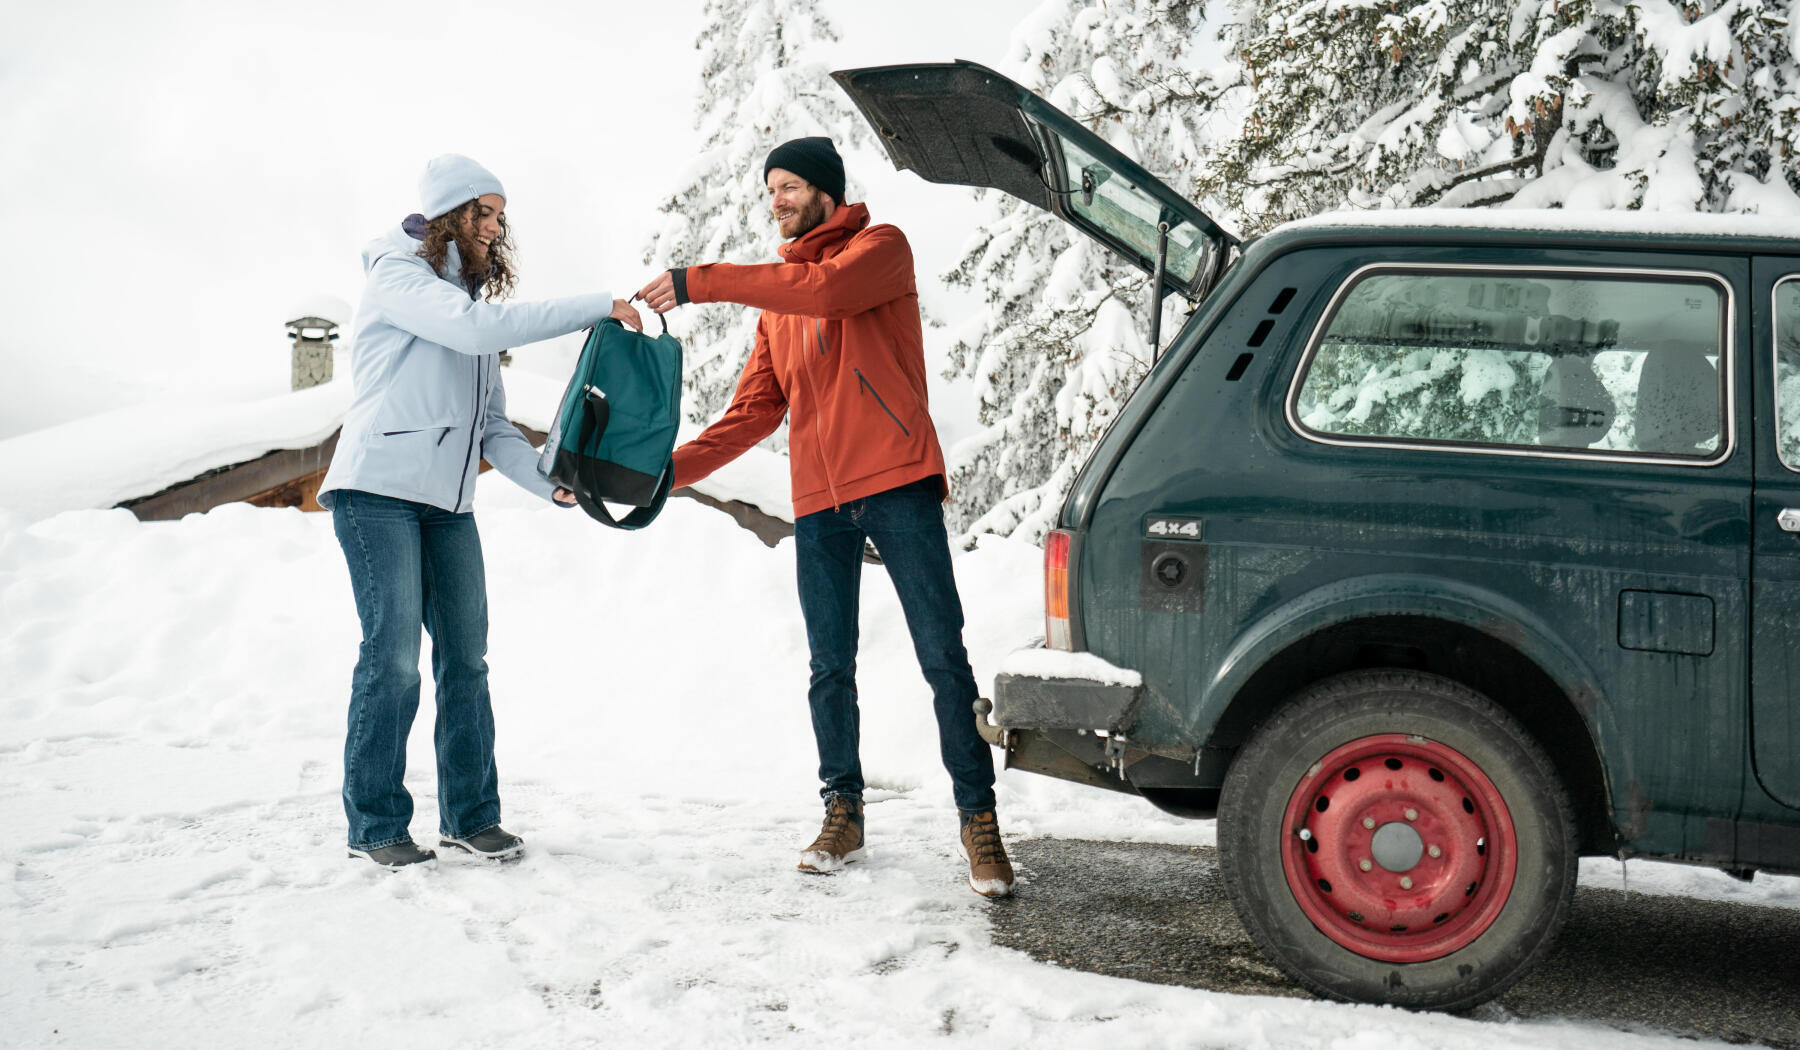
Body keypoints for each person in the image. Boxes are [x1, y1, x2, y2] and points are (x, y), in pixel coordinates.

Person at [635, 136, 1013, 897]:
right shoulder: (779, 305)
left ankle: (979, 822)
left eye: (789, 185)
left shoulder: (880, 249)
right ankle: (843, 810)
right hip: (819, 500)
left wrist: (697, 281)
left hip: (897, 480)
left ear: (827, 192)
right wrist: (661, 476)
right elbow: (751, 414)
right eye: (769, 188)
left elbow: (828, 293)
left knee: (943, 658)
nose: (776, 199)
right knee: (828, 666)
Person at [319, 154, 640, 868]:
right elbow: (470, 330)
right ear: (449, 216)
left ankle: (470, 817)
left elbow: (493, 425)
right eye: (484, 212)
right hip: (377, 493)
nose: (497, 226)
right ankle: (374, 823)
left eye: (500, 215)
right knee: (394, 659)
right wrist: (595, 305)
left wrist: (547, 480)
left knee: (466, 660)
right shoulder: (400, 278)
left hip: (447, 506)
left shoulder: (467, 308)